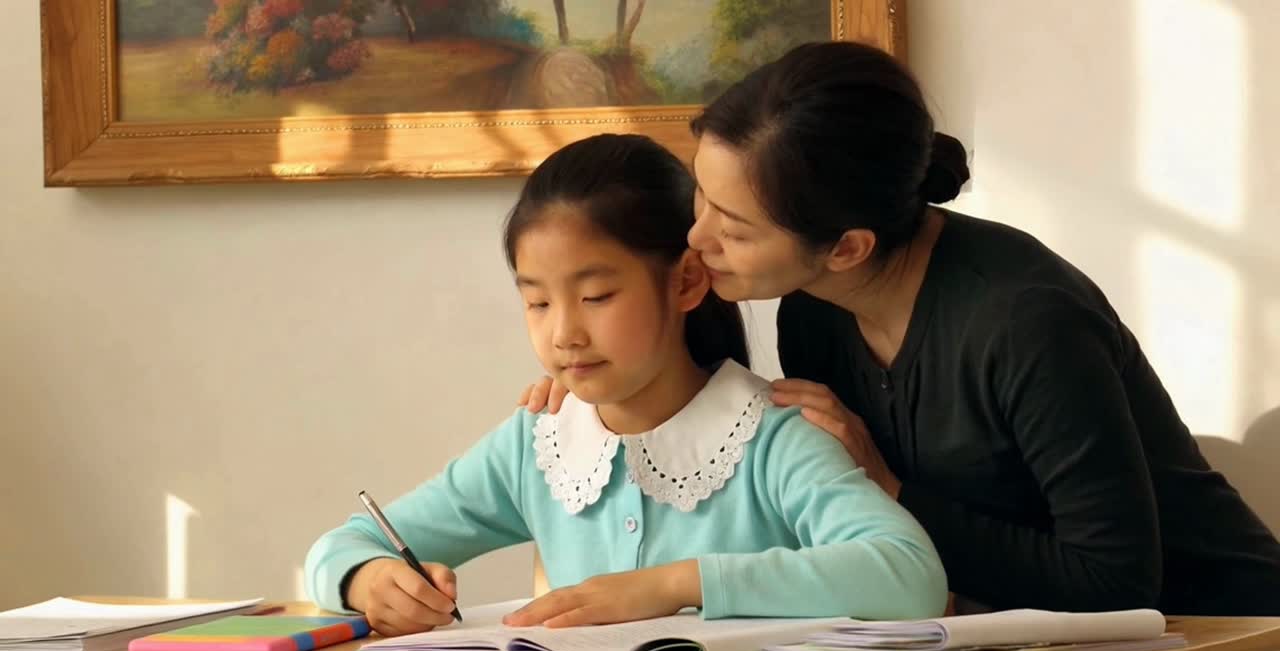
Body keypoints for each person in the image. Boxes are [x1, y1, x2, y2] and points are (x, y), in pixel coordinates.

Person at [521, 42, 1280, 616]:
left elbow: (1115, 584)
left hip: (1219, 643)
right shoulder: (813, 311)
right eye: (702, 203)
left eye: (736, 228)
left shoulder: (1025, 323)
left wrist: (890, 489)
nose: (697, 241)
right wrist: (598, 401)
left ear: (849, 247)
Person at [305, 133, 947, 637]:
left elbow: (908, 575)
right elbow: (341, 544)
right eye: (537, 303)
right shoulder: (538, 445)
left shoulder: (773, 439)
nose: (564, 334)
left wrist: (676, 585)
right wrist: (369, 581)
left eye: (596, 295)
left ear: (688, 282)